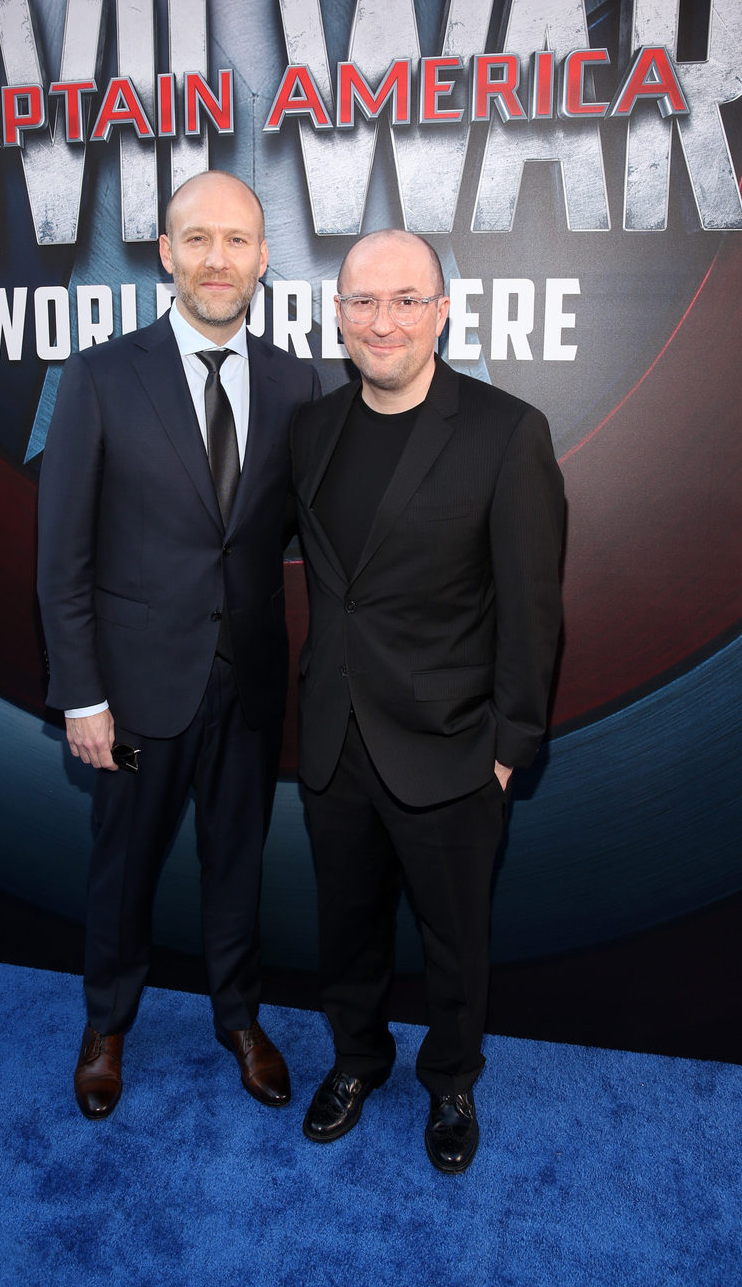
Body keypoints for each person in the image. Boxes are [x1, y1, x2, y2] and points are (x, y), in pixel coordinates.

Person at [37, 170, 319, 1119]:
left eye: (236, 241)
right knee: (122, 870)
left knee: (238, 863)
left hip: (247, 682)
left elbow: (291, 536)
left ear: (264, 258)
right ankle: (107, 1023)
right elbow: (61, 556)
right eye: (196, 239)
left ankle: (238, 1015)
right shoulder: (102, 375)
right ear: (164, 254)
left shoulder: (295, 383)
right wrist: (81, 696)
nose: (217, 260)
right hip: (133, 690)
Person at [291, 229, 564, 1173]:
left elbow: (532, 606)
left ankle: (450, 1078)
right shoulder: (313, 429)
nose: (384, 320)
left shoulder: (505, 430)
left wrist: (506, 747)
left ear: (443, 311)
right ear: (339, 316)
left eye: (408, 299)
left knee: (456, 940)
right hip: (332, 740)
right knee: (347, 927)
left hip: (452, 745)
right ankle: (358, 1060)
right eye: (364, 301)